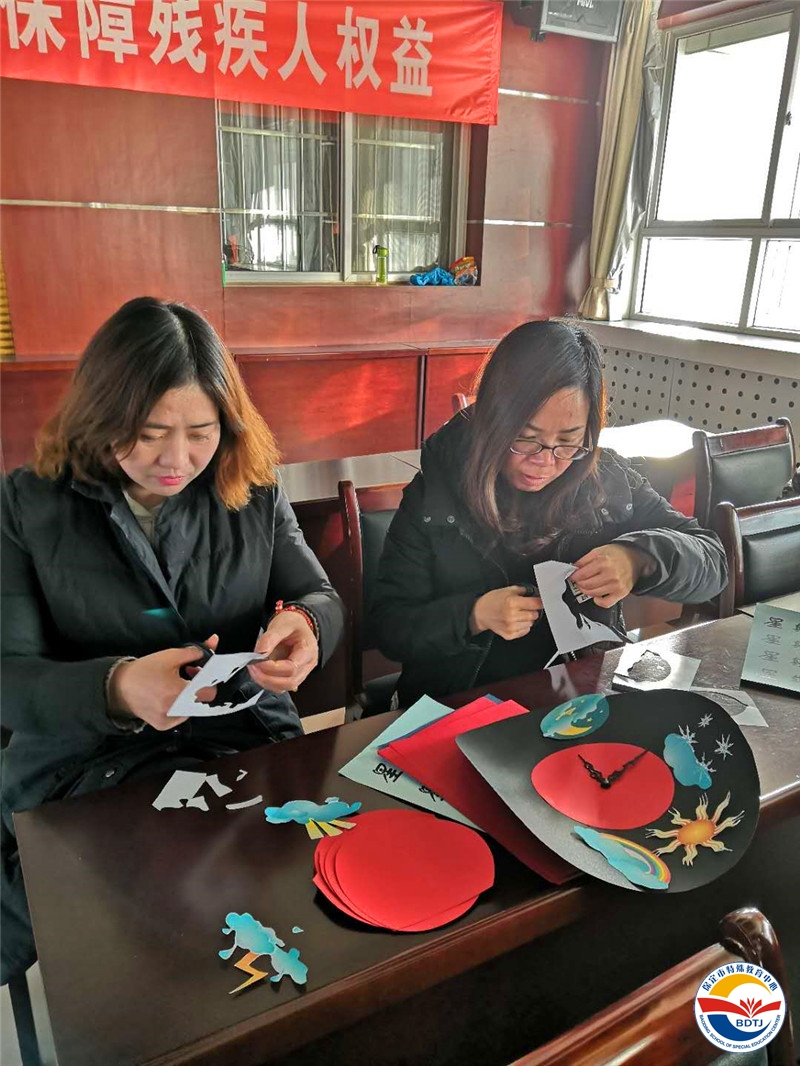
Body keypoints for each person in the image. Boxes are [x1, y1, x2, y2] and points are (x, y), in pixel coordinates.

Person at [0, 296, 343, 983]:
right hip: (91, 763)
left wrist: (305, 628)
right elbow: (10, 677)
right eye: (148, 433)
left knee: (294, 920)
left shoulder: (252, 487)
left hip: (238, 742)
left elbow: (321, 598)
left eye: (200, 432)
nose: (176, 460)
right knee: (107, 939)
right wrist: (118, 688)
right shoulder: (30, 503)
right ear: (101, 417)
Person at [370, 320, 727, 708]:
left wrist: (638, 559)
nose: (544, 461)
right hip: (459, 705)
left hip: (577, 702)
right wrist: (474, 616)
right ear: (492, 420)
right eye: (526, 438)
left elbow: (714, 562)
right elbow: (390, 627)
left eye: (568, 442)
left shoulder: (606, 482)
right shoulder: (436, 493)